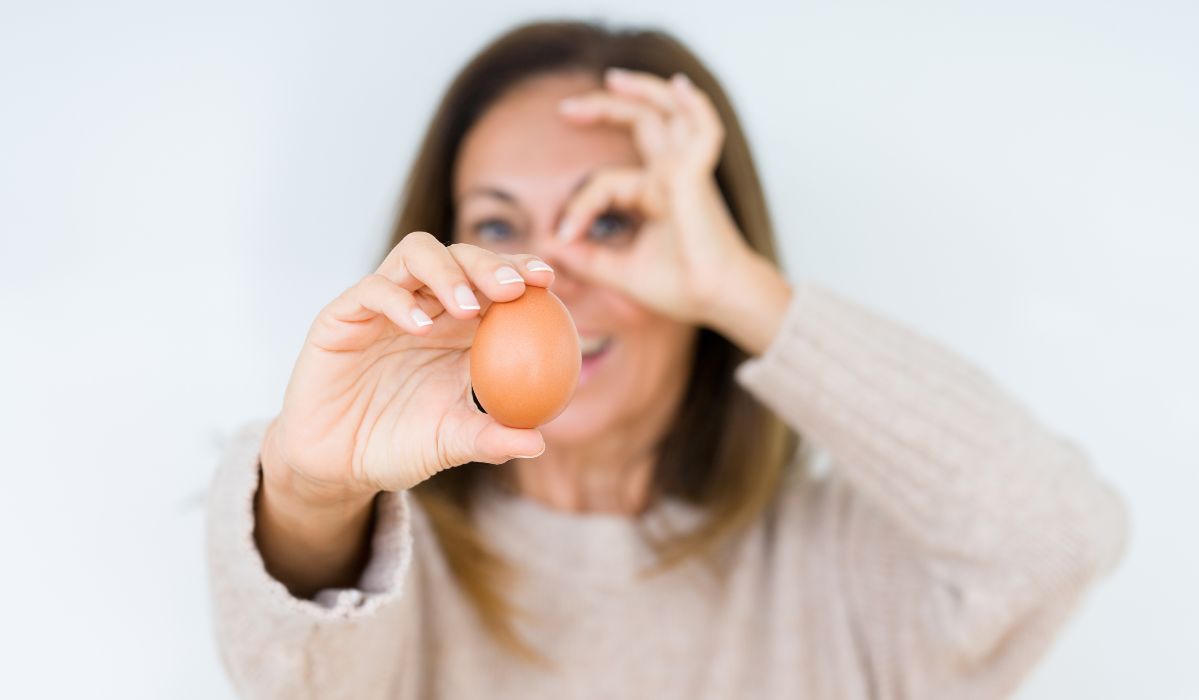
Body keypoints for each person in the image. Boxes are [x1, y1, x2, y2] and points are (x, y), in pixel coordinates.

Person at [205, 20, 1127, 699]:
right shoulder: (395, 566)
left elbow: (1057, 537)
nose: (549, 280)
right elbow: (299, 671)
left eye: (610, 221)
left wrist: (741, 290)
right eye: (496, 225)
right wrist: (314, 488)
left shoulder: (833, 568)